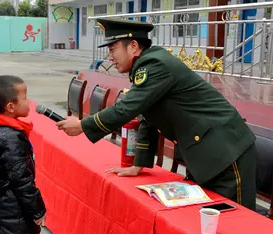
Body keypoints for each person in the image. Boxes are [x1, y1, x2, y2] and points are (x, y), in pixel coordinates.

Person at [56, 19, 258, 211]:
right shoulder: (147, 65)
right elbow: (147, 117)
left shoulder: (154, 65)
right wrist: (139, 164)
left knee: (234, 217)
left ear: (133, 46)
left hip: (227, 152)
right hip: (208, 153)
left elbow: (126, 108)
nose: (109, 57)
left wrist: (83, 125)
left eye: (112, 49)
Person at [0, 75, 46, 234]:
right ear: (10, 107)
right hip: (11, 216)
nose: (29, 101)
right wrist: (38, 210)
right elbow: (22, 181)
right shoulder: (11, 139)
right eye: (25, 97)